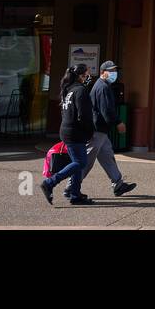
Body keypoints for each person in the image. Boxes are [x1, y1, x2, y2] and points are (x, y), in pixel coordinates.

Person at [41, 64, 95, 206]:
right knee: (80, 163)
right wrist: (90, 131)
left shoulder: (68, 89)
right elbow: (84, 115)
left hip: (67, 130)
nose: (89, 77)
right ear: (81, 75)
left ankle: (75, 194)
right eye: (87, 74)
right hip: (76, 132)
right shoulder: (80, 91)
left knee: (76, 163)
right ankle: (49, 183)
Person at [85, 61, 136, 196]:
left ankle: (118, 184)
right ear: (103, 72)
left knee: (107, 156)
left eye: (115, 70)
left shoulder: (103, 85)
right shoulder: (103, 87)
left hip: (101, 130)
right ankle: (71, 187)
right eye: (111, 71)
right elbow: (106, 110)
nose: (114, 73)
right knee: (87, 161)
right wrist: (118, 123)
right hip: (97, 130)